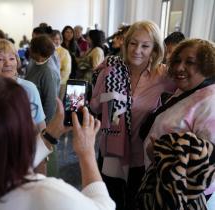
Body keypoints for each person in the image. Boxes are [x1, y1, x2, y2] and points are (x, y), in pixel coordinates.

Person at [0, 76, 116, 210]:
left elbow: (3, 161)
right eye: (28, 112)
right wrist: (87, 154)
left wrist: (52, 133)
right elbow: (104, 207)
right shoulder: (44, 194)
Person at [90, 20, 175, 210]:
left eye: (145, 46)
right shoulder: (110, 70)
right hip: (111, 152)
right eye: (133, 43)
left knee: (134, 203)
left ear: (154, 49)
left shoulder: (162, 75)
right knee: (109, 202)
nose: (137, 50)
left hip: (141, 156)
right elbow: (94, 107)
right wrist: (108, 96)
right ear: (126, 43)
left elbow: (189, 90)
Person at [140, 38, 215, 210]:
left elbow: (207, 167)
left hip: (181, 198)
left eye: (190, 62)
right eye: (178, 61)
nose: (180, 68)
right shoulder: (187, 89)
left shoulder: (210, 102)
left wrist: (160, 157)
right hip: (161, 184)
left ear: (207, 65)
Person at [0, 39, 46, 132]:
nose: (7, 63)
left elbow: (40, 126)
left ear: (17, 62)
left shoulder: (29, 89)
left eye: (12, 58)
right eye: (0, 59)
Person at [26, 35, 60, 123]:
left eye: (31, 47)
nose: (29, 49)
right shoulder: (35, 63)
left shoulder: (48, 71)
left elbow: (51, 103)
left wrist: (43, 125)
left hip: (39, 121)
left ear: (38, 52)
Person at [51, 30, 71, 100]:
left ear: (61, 40)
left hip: (61, 83)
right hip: (49, 82)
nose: (55, 41)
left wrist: (56, 79)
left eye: (57, 39)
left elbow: (66, 70)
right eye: (52, 39)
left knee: (58, 104)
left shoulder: (64, 52)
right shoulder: (47, 51)